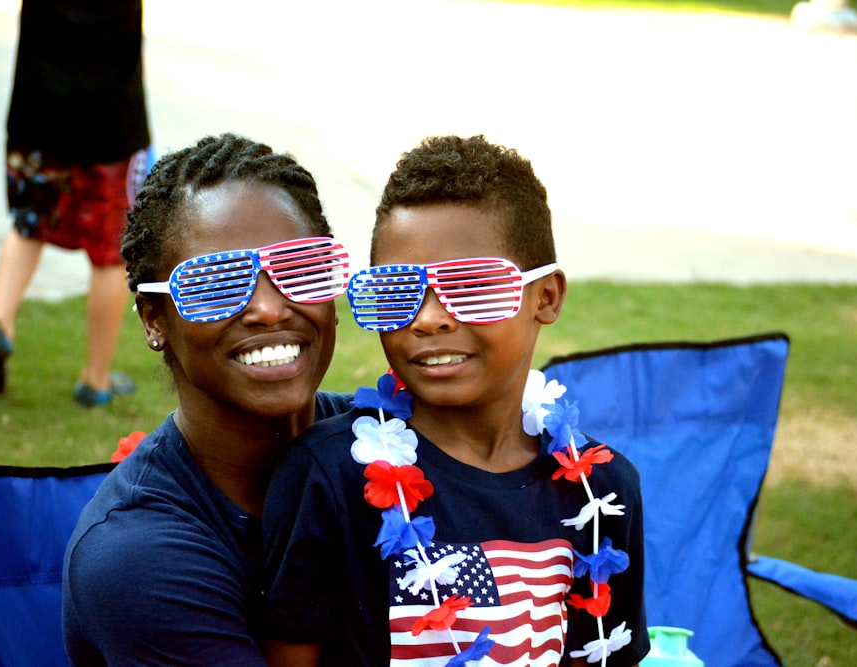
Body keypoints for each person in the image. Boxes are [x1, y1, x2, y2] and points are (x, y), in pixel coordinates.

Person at [263, 135, 649, 666]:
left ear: (546, 296)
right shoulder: (329, 477)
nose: (428, 317)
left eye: (472, 286)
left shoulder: (600, 490)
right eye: (397, 288)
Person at [62, 133, 352, 665]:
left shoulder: (386, 440)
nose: (269, 308)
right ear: (155, 320)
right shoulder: (137, 560)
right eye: (216, 282)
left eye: (300, 267)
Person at [0, 0, 152, 407]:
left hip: (37, 116)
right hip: (111, 126)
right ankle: (95, 380)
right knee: (109, 256)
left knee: (28, 225)